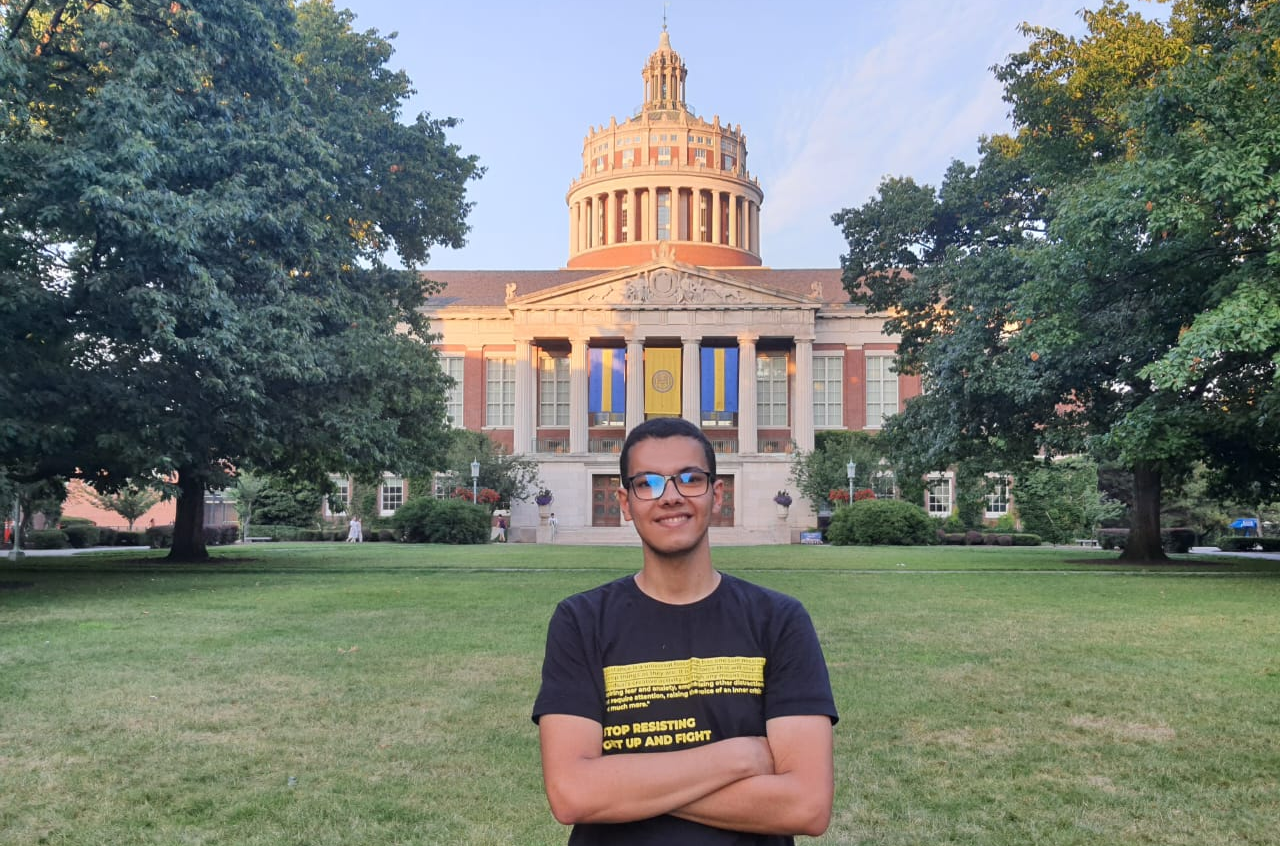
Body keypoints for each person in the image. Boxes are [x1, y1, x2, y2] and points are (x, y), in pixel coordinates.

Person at [532, 417, 838, 844]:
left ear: (717, 494)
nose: (670, 497)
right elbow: (572, 794)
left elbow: (806, 804)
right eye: (648, 483)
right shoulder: (581, 621)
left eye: (690, 479)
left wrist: (625, 785)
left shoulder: (778, 620)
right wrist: (739, 757)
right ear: (625, 501)